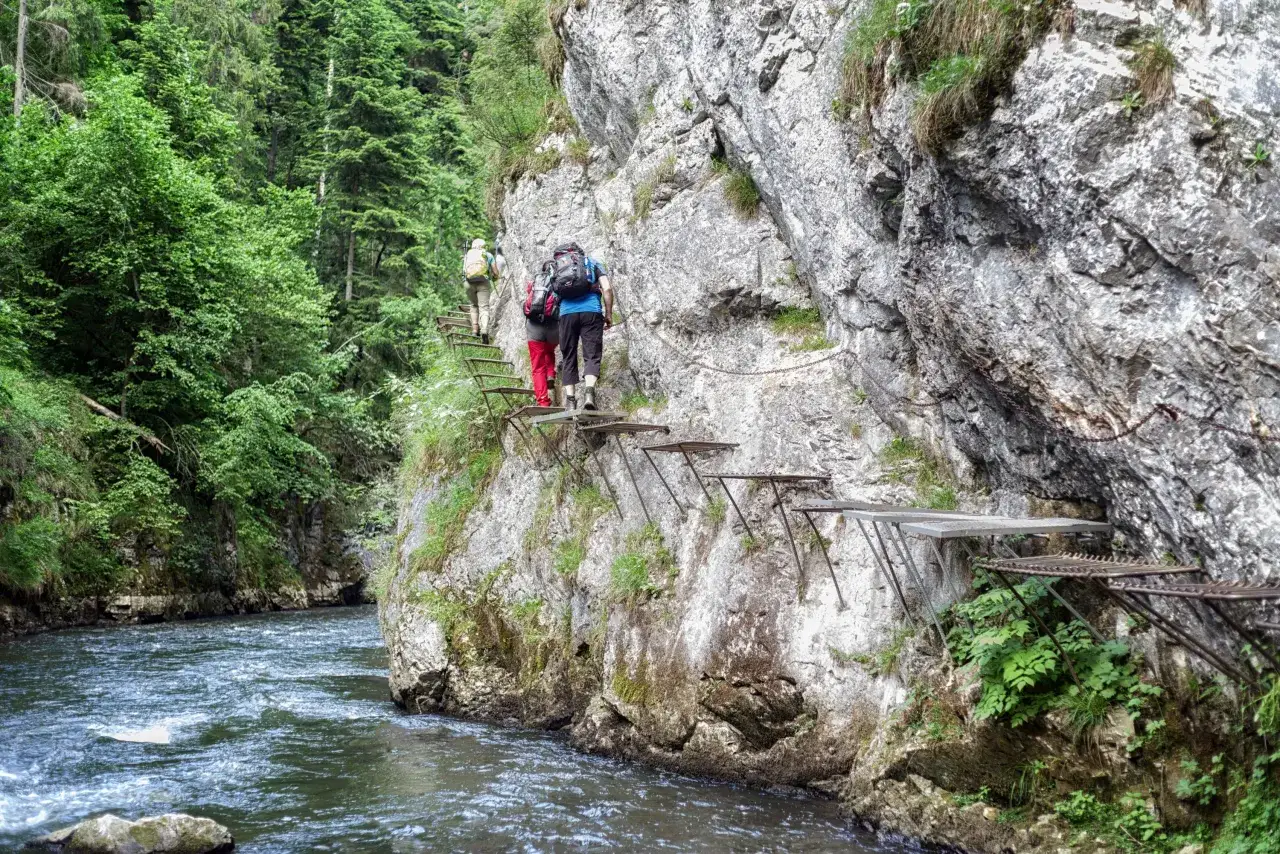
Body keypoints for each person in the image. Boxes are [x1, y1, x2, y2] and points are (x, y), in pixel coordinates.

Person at [549, 242, 612, 410]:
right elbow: (607, 288)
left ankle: (570, 401)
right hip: (591, 311)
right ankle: (589, 394)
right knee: (592, 353)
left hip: (566, 313)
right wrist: (609, 314)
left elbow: (553, 294)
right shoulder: (592, 262)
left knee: (568, 355)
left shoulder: (556, 267)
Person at [523, 261, 559, 407]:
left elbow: (529, 296)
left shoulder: (535, 283)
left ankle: (543, 401)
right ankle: (550, 373)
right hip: (554, 328)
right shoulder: (559, 284)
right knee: (549, 350)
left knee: (538, 367)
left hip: (534, 328)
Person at [462, 238, 497, 344]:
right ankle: (484, 330)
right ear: (483, 246)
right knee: (484, 307)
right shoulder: (488, 255)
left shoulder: (468, 255)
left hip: (468, 284)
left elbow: (464, 271)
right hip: (483, 283)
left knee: (473, 305)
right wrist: (495, 277)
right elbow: (495, 272)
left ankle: (475, 330)